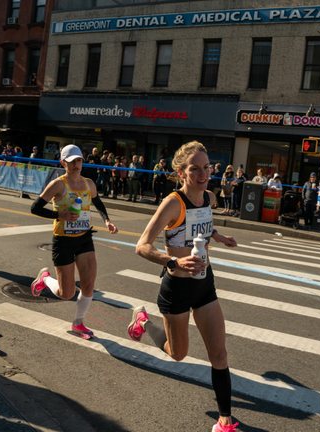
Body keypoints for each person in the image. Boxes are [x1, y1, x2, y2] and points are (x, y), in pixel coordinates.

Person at [127, 141, 239, 432]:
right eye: (195, 169)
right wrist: (172, 263)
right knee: (178, 354)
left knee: (220, 354)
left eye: (206, 167)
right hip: (176, 287)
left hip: (205, 284)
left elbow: (203, 223)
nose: (203, 174)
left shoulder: (209, 197)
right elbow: (142, 246)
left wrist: (219, 236)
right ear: (181, 172)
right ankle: (142, 322)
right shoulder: (173, 203)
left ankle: (225, 419)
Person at [29, 144, 119, 339]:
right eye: (72, 162)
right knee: (66, 293)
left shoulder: (89, 184)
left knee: (88, 285)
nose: (76, 165)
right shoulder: (58, 184)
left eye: (79, 161)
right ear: (63, 163)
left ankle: (79, 323)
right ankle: (44, 279)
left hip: (85, 239)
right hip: (63, 241)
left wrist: (107, 220)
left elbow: (97, 202)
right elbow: (35, 208)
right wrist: (59, 214)